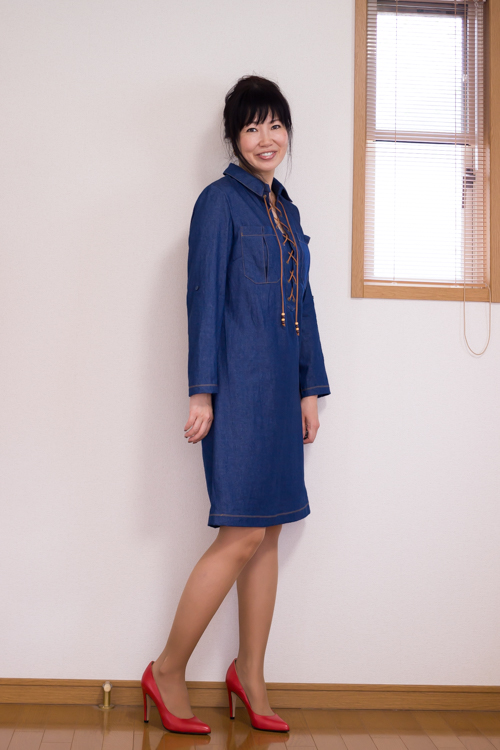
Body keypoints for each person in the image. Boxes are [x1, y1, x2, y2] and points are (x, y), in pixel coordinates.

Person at [141, 75, 331, 736]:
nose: (265, 138)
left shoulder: (288, 211)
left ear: (287, 132)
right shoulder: (218, 203)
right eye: (251, 127)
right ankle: (167, 670)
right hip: (239, 391)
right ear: (234, 138)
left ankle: (250, 674)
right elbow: (202, 300)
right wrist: (203, 391)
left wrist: (310, 388)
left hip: (282, 393)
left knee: (268, 531)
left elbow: (303, 305)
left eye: (274, 124)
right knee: (242, 533)